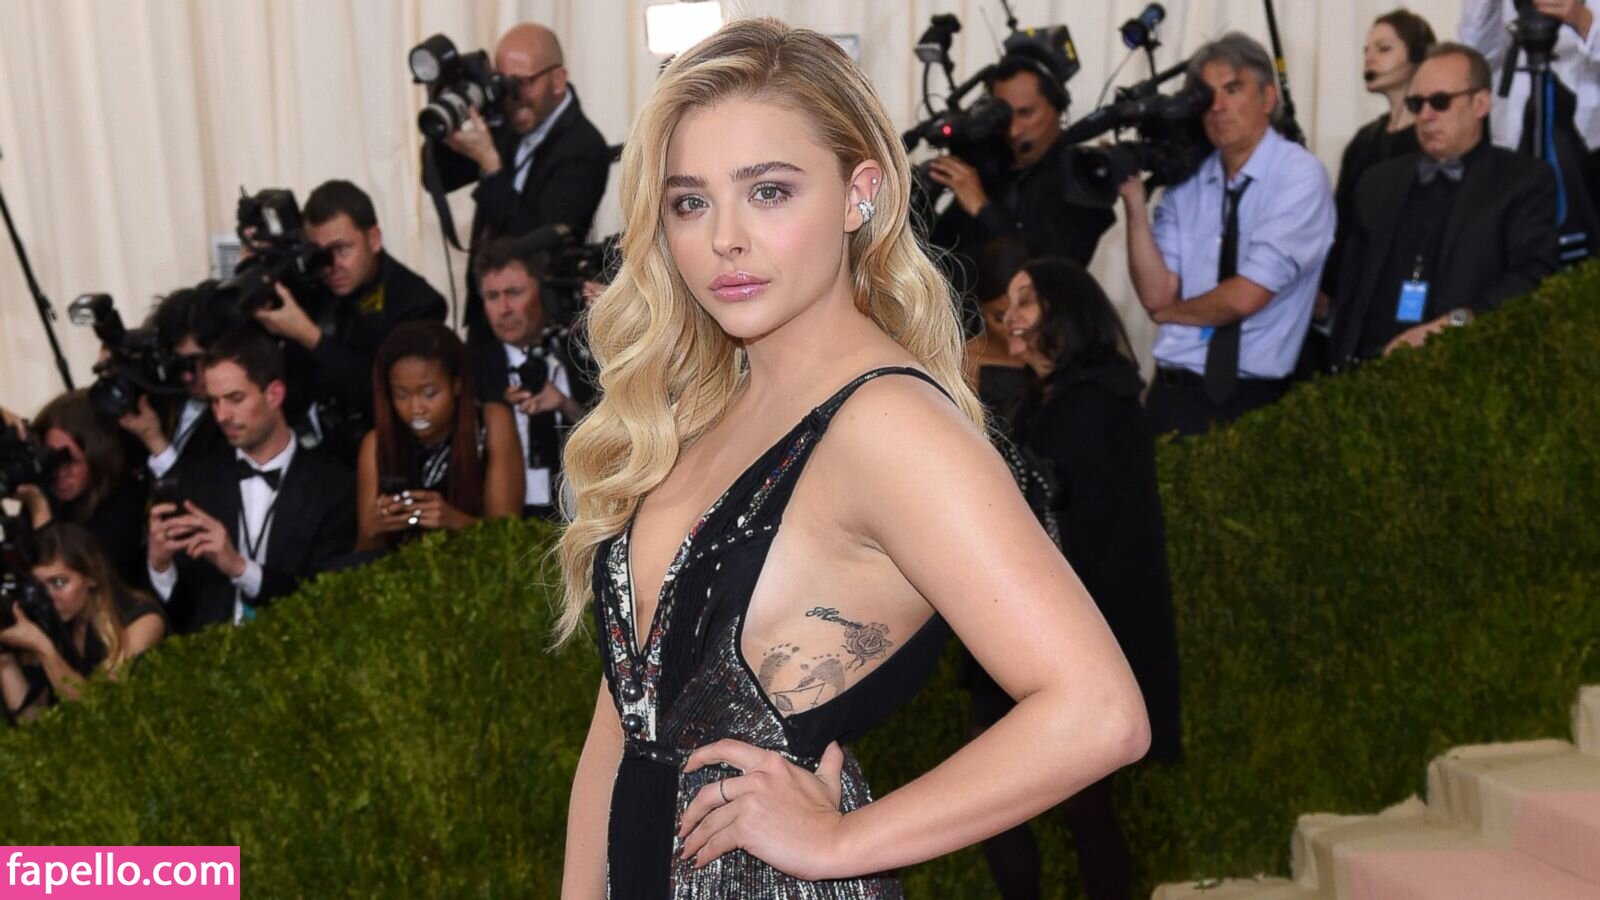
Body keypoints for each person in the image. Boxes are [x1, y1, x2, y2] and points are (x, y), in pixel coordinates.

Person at [553, 19, 1149, 898]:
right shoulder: (701, 411)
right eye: (690, 202)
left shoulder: (889, 425)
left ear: (857, 194)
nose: (725, 238)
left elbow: (1099, 711)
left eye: (768, 191)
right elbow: (624, 722)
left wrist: (842, 842)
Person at [968, 259, 1181, 900]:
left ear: (1066, 311)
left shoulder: (1099, 401)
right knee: (1000, 797)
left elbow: (1092, 530)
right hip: (1023, 632)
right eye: (1008, 304)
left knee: (1082, 808)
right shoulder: (1041, 401)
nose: (1010, 317)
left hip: (1069, 640)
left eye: (1027, 301)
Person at [1121, 33, 1335, 437]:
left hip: (1249, 399)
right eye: (1207, 95)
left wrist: (1170, 314)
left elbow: (1245, 296)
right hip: (1170, 392)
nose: (1217, 106)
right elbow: (1156, 294)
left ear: (1268, 98)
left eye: (1233, 89)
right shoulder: (1188, 180)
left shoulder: (1299, 175)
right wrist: (1134, 205)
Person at [1330, 44, 1559, 366]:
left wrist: (1452, 326)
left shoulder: (1520, 181)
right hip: (1371, 367)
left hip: (1467, 367)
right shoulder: (1378, 182)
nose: (1425, 116)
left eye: (1440, 102)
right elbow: (1350, 286)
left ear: (1480, 103)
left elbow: (1531, 278)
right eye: (1416, 104)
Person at [146, 329, 355, 634]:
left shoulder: (333, 487)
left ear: (274, 395)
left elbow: (326, 600)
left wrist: (240, 568)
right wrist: (161, 565)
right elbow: (184, 611)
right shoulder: (196, 481)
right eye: (214, 401)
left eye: (235, 399)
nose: (222, 415)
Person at [428, 23, 611, 343]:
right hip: (486, 313)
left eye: (522, 83)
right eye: (502, 82)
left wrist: (491, 165)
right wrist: (446, 116)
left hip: (540, 321)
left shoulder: (584, 147)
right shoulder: (506, 123)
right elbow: (438, 180)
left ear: (557, 80)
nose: (512, 96)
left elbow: (538, 241)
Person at [252, 179, 448, 466]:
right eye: (320, 254)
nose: (331, 266)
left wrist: (310, 337)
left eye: (342, 249)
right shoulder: (310, 287)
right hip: (308, 457)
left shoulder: (416, 303)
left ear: (374, 239)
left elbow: (388, 396)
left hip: (383, 458)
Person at [926, 46, 1116, 299]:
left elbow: (1056, 267)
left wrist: (983, 208)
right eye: (1006, 116)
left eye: (1026, 113)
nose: (1014, 130)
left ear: (1057, 105)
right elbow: (939, 250)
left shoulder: (1082, 174)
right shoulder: (992, 167)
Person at [1316, 11, 1437, 346]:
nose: (1369, 58)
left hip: (1414, 288)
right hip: (1359, 294)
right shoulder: (1364, 140)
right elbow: (1341, 221)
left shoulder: (1433, 136)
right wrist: (1327, 290)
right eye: (1366, 50)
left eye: (1384, 49)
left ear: (1418, 55)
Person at [355, 322, 523, 552]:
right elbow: (363, 554)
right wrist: (373, 529)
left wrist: (454, 521)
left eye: (429, 393)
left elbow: (510, 538)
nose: (416, 408)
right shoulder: (376, 444)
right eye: (401, 395)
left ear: (456, 385)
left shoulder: (492, 422)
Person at [468, 237, 592, 520]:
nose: (504, 309)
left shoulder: (584, 354)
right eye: (492, 297)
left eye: (514, 292)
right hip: (507, 520)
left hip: (584, 514)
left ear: (543, 293)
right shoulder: (472, 370)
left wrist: (566, 405)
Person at [0, 523, 166, 721]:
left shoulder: (144, 620)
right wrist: (5, 659)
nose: (48, 596)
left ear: (92, 577)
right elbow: (35, 722)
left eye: (59, 582)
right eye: (38, 586)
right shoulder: (52, 621)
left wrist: (44, 649)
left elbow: (101, 708)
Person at [13, 391, 149, 590]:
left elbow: (67, 587)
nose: (60, 472)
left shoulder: (124, 505)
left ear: (99, 458)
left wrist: (39, 510)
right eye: (52, 460)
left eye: (71, 461)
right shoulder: (45, 492)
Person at [116, 284, 230, 478]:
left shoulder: (237, 413)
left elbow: (206, 491)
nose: (187, 376)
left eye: (199, 361)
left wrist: (155, 442)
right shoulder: (160, 395)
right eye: (179, 363)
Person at [963, 237, 1033, 428]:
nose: (1013, 328)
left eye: (1022, 314)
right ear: (981, 308)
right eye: (1000, 317)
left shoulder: (1055, 353)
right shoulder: (967, 359)